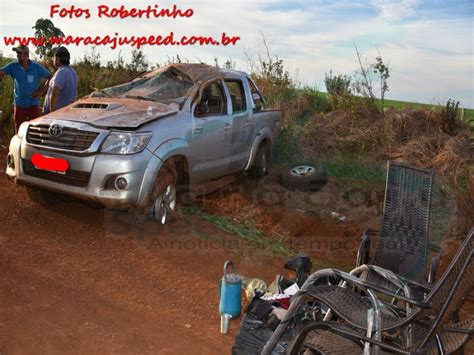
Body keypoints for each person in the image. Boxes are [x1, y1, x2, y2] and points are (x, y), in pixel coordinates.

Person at [0, 45, 51, 132]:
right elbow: (1, 72)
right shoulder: (13, 66)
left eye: (19, 53)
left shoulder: (36, 67)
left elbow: (50, 77)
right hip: (19, 105)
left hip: (33, 105)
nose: (17, 55)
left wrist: (42, 91)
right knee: (19, 131)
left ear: (26, 54)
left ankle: (34, 145)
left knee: (36, 130)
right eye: (17, 53)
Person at [43, 46, 78, 114]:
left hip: (57, 114)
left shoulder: (61, 72)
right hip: (67, 112)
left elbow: (55, 92)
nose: (53, 60)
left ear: (57, 59)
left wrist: (52, 111)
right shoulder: (72, 71)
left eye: (53, 58)